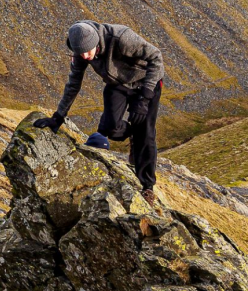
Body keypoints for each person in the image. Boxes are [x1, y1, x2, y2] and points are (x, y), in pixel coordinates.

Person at [34, 20, 165, 206]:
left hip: (145, 83)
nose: (86, 56)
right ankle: (133, 134)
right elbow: (73, 84)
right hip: (117, 84)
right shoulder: (80, 52)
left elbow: (156, 57)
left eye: (89, 51)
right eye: (81, 53)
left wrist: (144, 98)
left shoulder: (121, 38)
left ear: (97, 42)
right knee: (109, 128)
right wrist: (58, 117)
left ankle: (147, 187)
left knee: (146, 133)